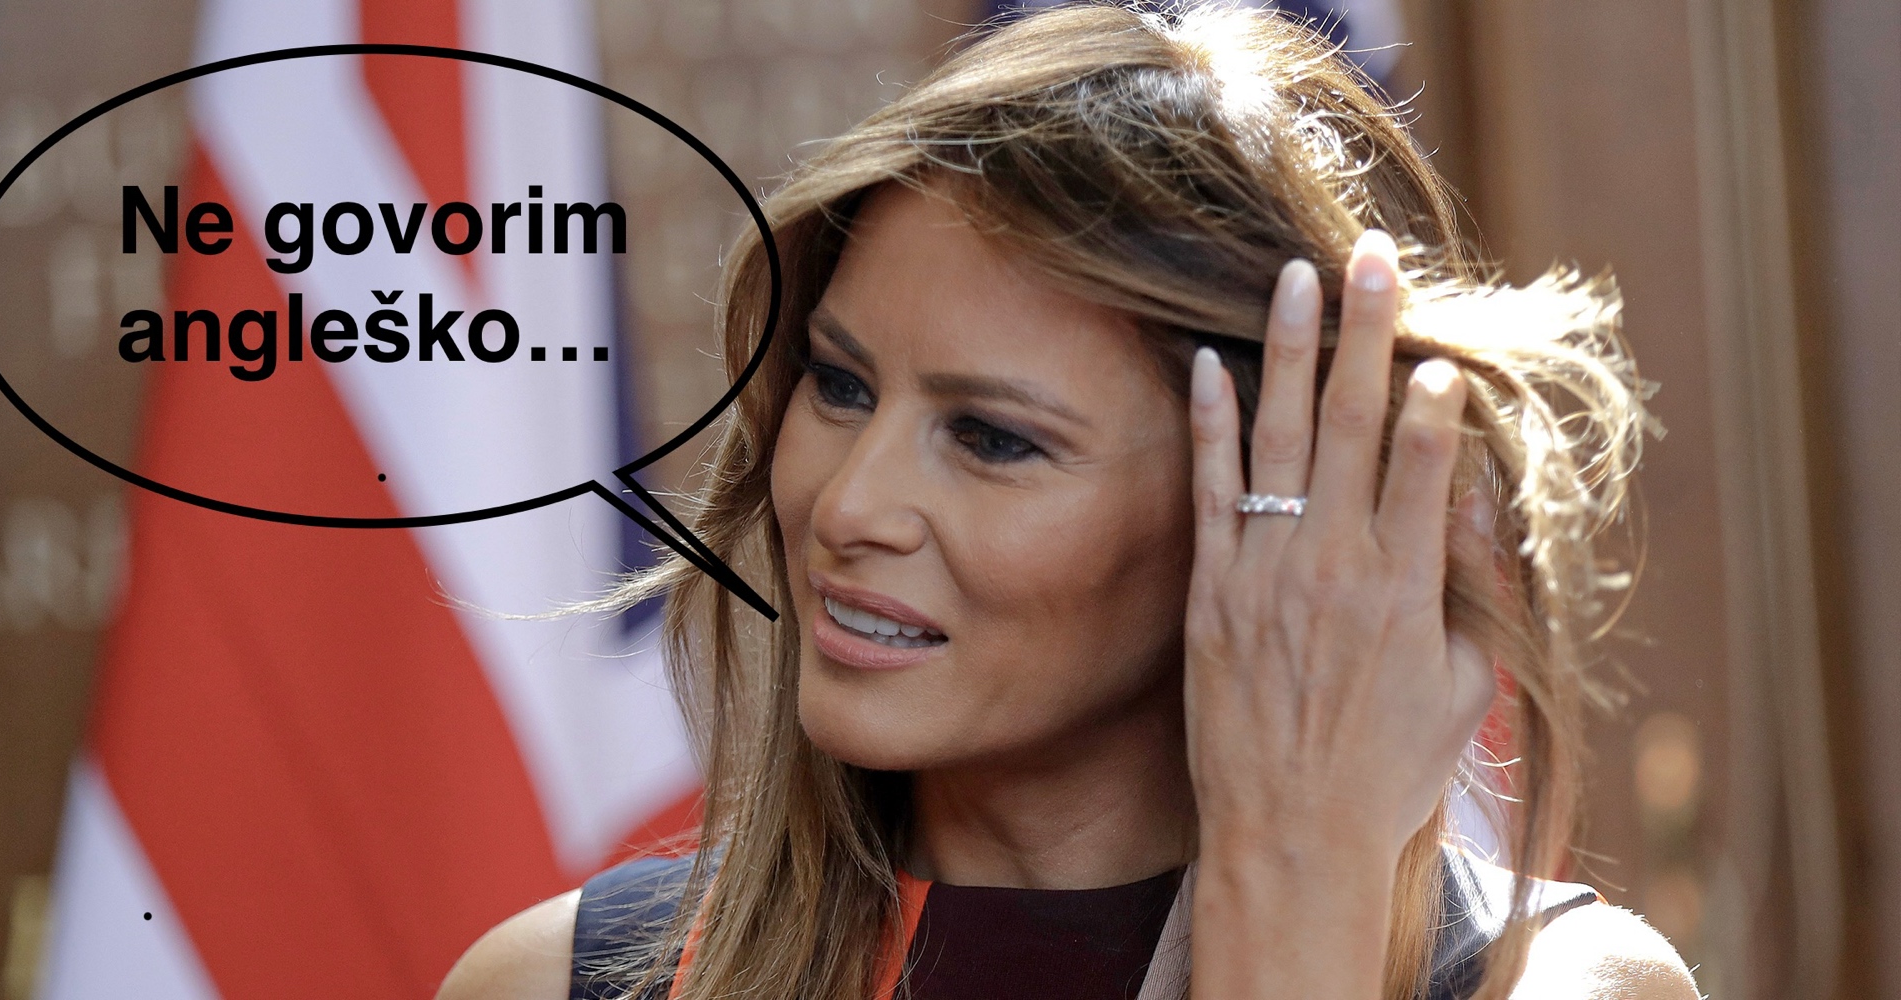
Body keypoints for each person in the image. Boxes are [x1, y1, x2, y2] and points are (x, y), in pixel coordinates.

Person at [439, 4, 1699, 998]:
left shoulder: (1556, 985)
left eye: (992, 438)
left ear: (1269, 503)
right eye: (838, 384)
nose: (848, 503)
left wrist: (1294, 910)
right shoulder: (551, 982)